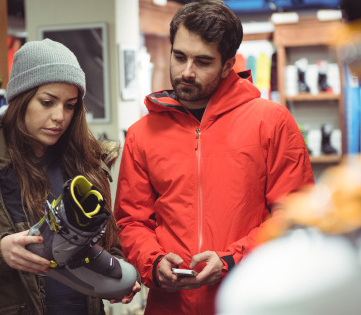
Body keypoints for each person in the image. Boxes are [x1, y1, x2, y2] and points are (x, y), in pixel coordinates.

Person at [113, 1, 314, 314]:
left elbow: (296, 217)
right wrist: (153, 263)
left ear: (227, 64)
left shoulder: (272, 122)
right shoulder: (142, 133)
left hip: (252, 300)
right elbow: (131, 220)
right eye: (179, 57)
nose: (187, 72)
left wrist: (231, 261)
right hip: (169, 305)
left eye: (203, 61)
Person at [0, 38, 140, 315]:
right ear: (21, 99)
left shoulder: (86, 164)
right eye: (47, 102)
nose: (59, 117)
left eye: (70, 105)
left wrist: (114, 278)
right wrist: (0, 252)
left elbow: (106, 246)